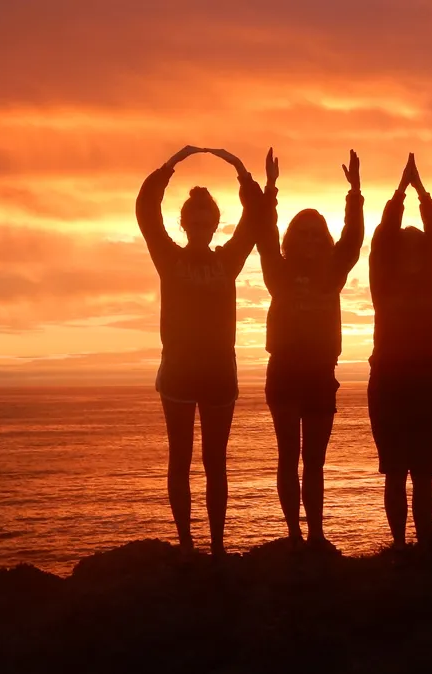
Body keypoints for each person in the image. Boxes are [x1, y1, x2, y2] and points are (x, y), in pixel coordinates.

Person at [135, 145, 269, 558]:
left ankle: (215, 547)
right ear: (184, 222)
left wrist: (242, 172)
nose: (199, 221)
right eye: (192, 215)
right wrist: (171, 164)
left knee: (215, 462)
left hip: (218, 373)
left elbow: (255, 220)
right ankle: (187, 545)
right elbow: (145, 211)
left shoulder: (227, 260)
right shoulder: (168, 257)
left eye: (206, 215)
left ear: (214, 223)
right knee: (180, 459)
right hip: (177, 371)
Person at [256, 149, 365, 550]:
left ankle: (316, 533)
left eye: (317, 232)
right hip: (284, 371)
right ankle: (294, 534)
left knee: (314, 462)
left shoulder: (334, 271)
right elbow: (265, 236)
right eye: (302, 232)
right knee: (289, 456)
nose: (310, 238)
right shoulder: (278, 270)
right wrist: (270, 191)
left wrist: (354, 193)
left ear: (325, 240)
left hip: (321, 373)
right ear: (291, 239)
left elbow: (353, 239)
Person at [368, 153, 432, 550]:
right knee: (394, 473)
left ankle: (423, 543)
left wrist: (423, 195)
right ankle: (400, 545)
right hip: (389, 384)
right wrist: (400, 194)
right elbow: (382, 239)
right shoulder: (383, 286)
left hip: (429, 383)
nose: (413, 251)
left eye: (420, 247)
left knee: (423, 473)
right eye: (407, 246)